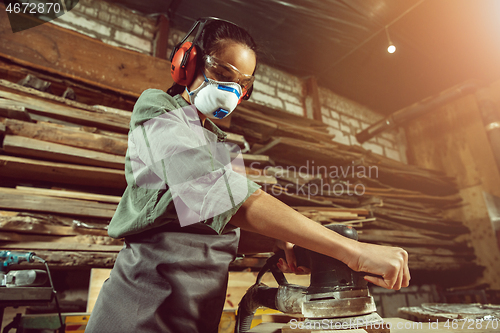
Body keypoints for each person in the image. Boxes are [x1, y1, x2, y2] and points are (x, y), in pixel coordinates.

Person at [85, 18, 410, 333]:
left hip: (196, 314)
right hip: (143, 307)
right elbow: (222, 197)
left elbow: (208, 231)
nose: (231, 90)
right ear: (187, 62)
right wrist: (352, 251)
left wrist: (282, 242)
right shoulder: (158, 110)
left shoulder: (216, 147)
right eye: (222, 73)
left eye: (242, 84)